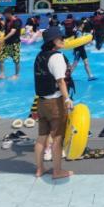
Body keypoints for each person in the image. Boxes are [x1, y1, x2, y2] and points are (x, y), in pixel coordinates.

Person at [33, 27, 74, 179]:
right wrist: (67, 99)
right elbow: (60, 81)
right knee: (57, 137)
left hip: (41, 102)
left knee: (41, 137)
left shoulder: (40, 55)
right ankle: (57, 172)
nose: (63, 40)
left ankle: (39, 169)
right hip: (55, 103)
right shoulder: (56, 57)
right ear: (53, 41)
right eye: (60, 38)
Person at [0, 8, 22, 80]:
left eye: (5, 14)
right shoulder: (7, 20)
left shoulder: (17, 21)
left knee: (16, 60)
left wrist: (3, 39)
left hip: (15, 44)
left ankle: (16, 75)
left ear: (9, 13)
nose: (4, 15)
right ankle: (2, 74)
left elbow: (13, 32)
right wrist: (0, 32)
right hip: (7, 44)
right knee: (0, 58)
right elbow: (5, 28)